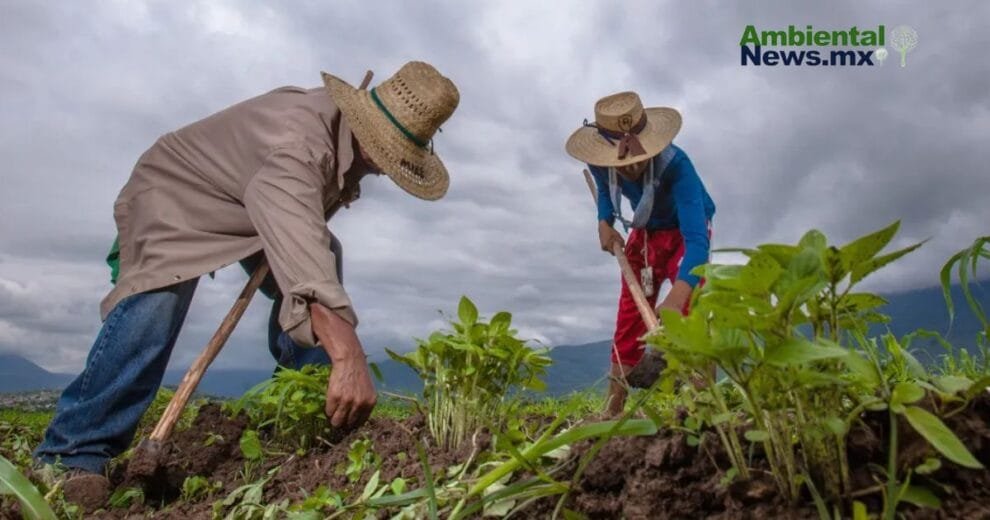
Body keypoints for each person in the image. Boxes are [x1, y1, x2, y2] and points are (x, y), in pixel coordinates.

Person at [34, 61, 460, 509]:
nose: (384, 170)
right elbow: (303, 256)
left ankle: (304, 418)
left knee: (324, 257)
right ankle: (72, 453)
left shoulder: (338, 142)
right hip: (174, 194)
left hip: (245, 201)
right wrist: (348, 353)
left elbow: (305, 242)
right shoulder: (301, 146)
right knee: (159, 299)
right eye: (387, 156)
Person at [565, 91, 715, 416]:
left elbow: (698, 243)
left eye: (637, 159)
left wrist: (677, 297)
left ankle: (707, 406)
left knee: (692, 308)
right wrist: (604, 221)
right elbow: (606, 189)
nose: (630, 168)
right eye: (622, 162)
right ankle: (613, 407)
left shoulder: (678, 167)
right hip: (646, 231)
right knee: (630, 312)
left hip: (684, 232)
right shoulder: (600, 161)